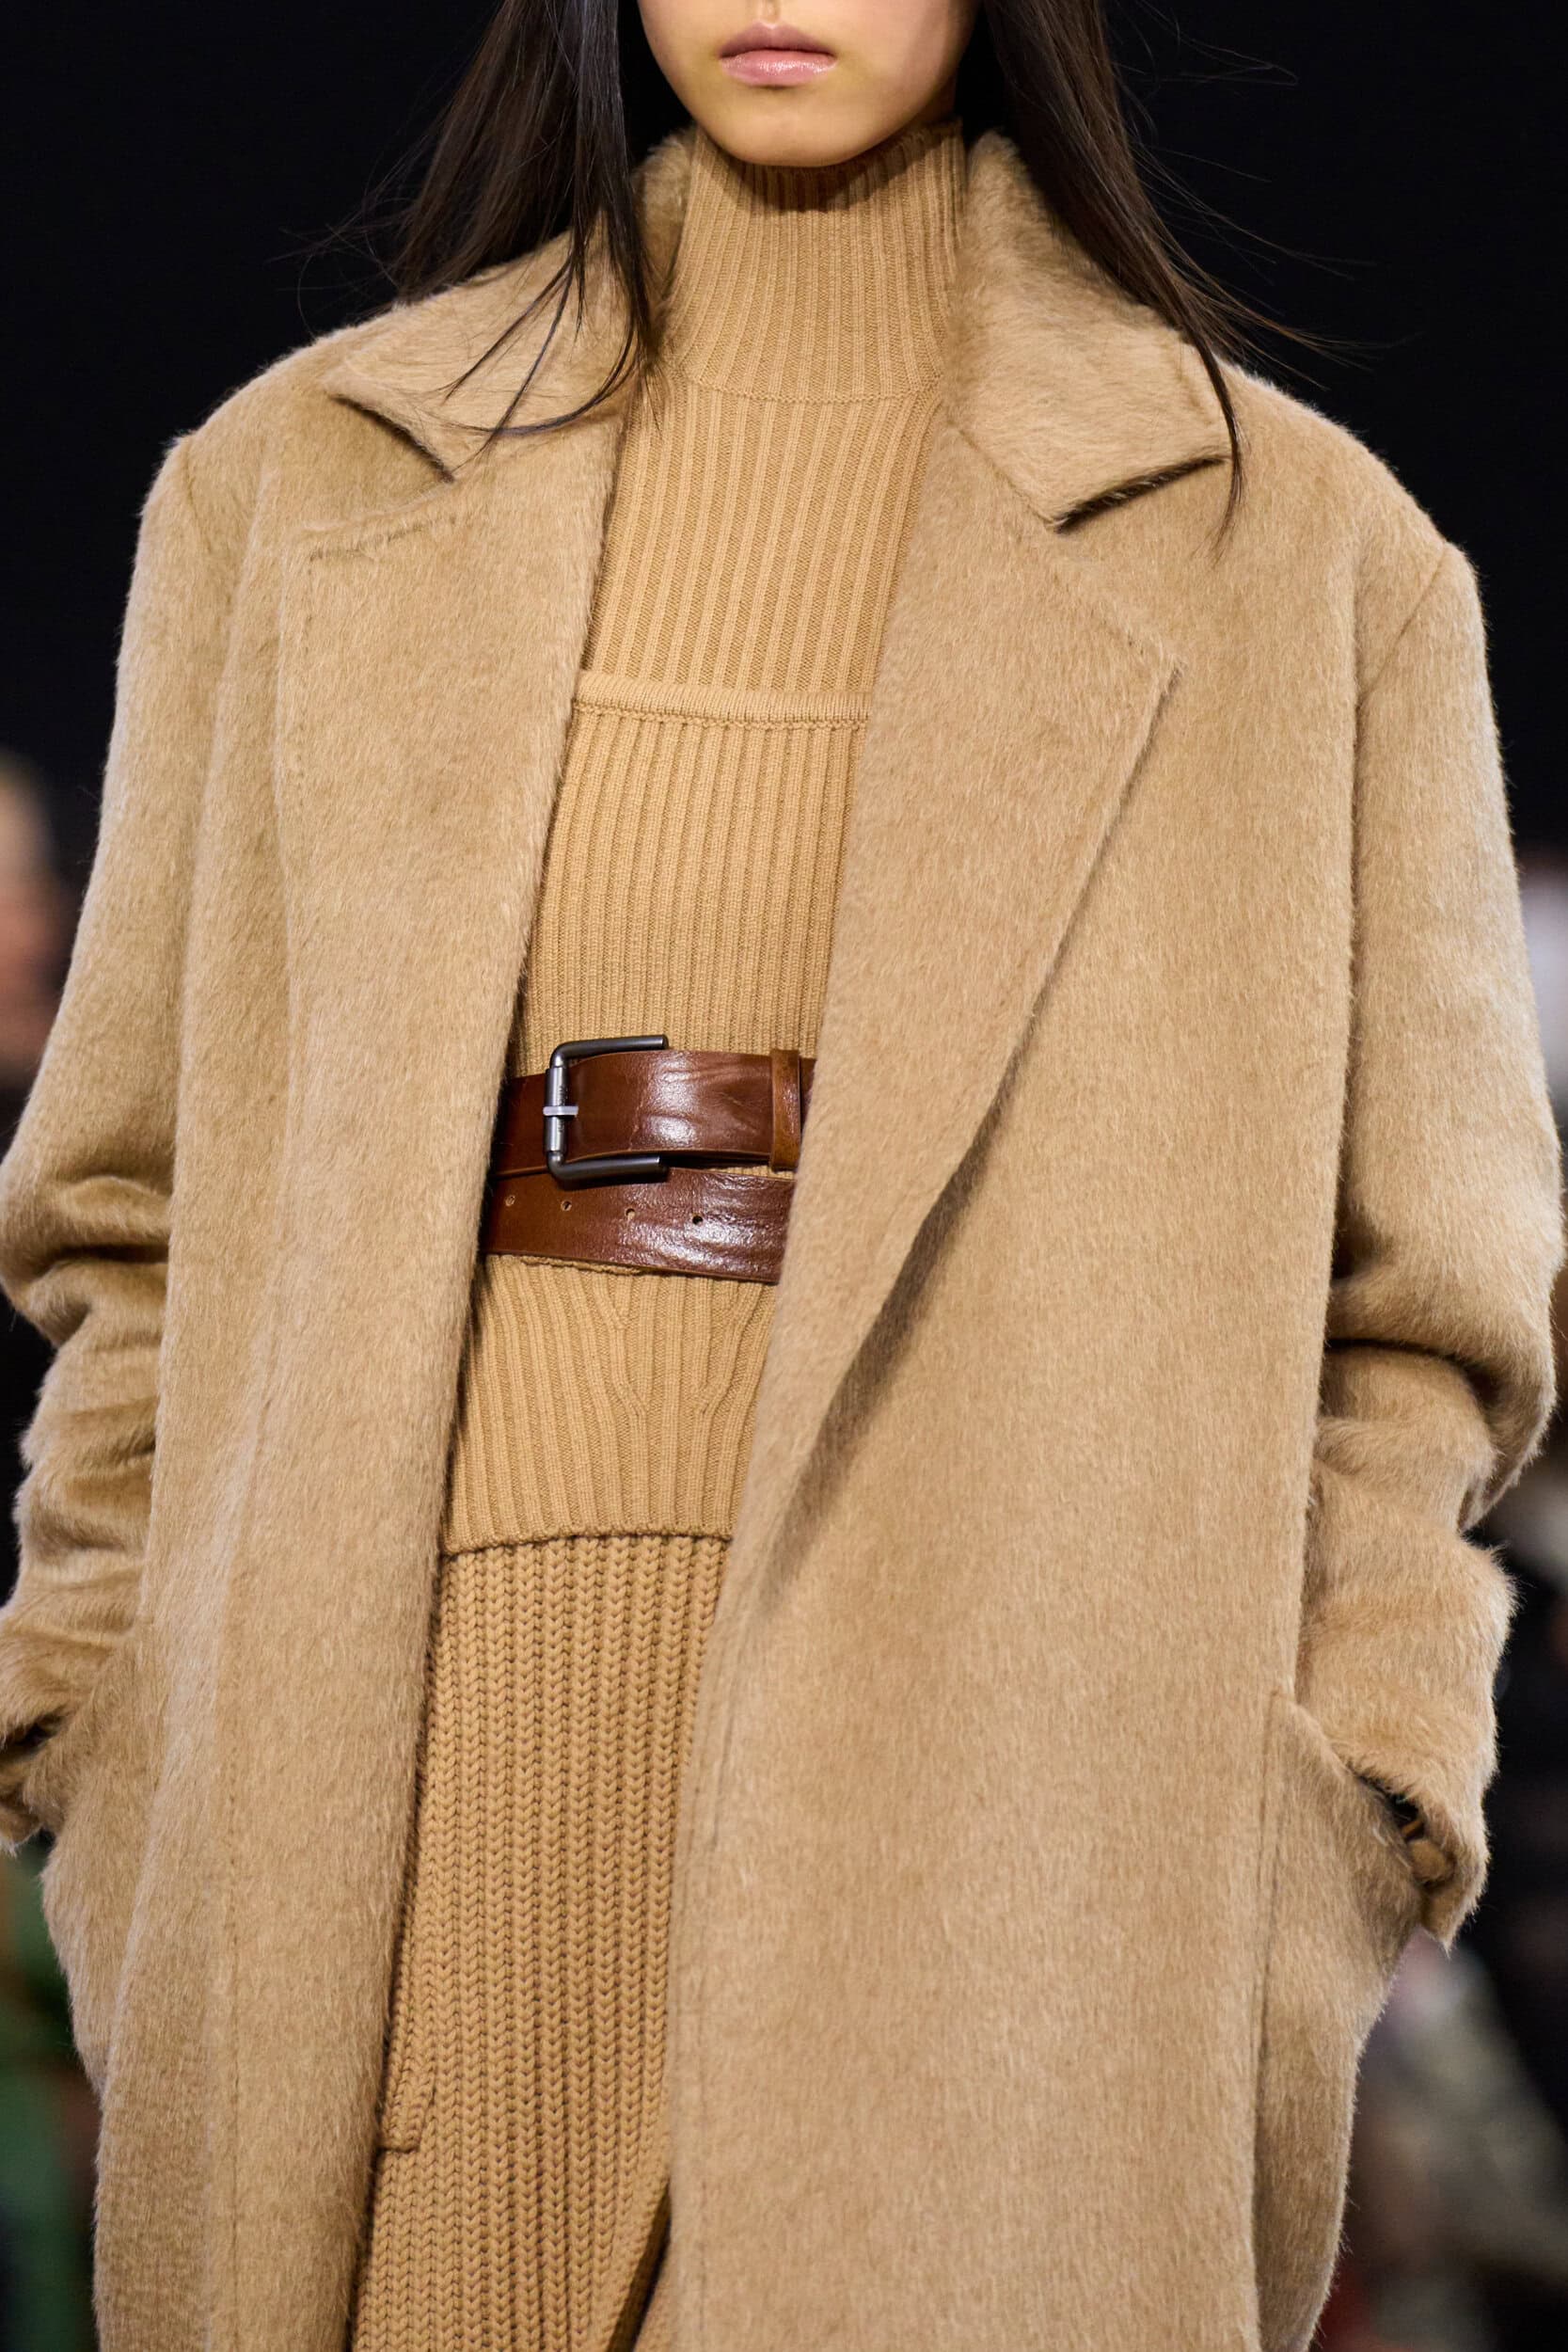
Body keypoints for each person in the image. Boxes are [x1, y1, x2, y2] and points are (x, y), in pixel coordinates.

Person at [0, 4, 1560, 2349]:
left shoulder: (1306, 561)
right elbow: (128, 1209)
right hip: (387, 1788)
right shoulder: (294, 490)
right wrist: (103, 1727)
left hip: (1019, 1837)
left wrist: (1341, 1816)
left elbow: (1427, 1309)